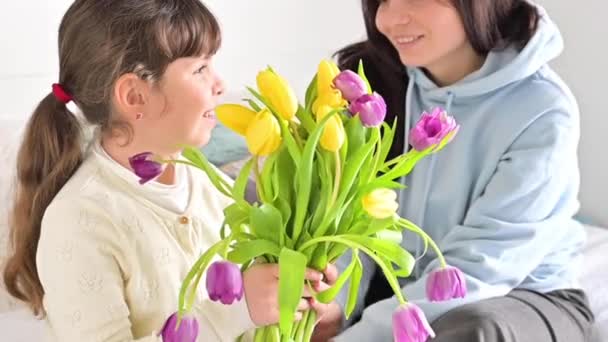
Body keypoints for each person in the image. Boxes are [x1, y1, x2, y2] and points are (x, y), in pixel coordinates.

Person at [2, 1, 334, 341]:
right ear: (134, 96)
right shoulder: (78, 220)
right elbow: (234, 316)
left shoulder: (214, 187)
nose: (220, 84)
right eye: (200, 69)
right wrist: (238, 312)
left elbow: (251, 317)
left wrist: (291, 301)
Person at [314, 0, 596, 341]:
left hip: (525, 297)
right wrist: (336, 307)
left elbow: (483, 266)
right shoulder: (369, 85)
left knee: (475, 328)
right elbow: (350, 222)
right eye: (383, 0)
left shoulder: (543, 111)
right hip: (401, 295)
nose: (390, 19)